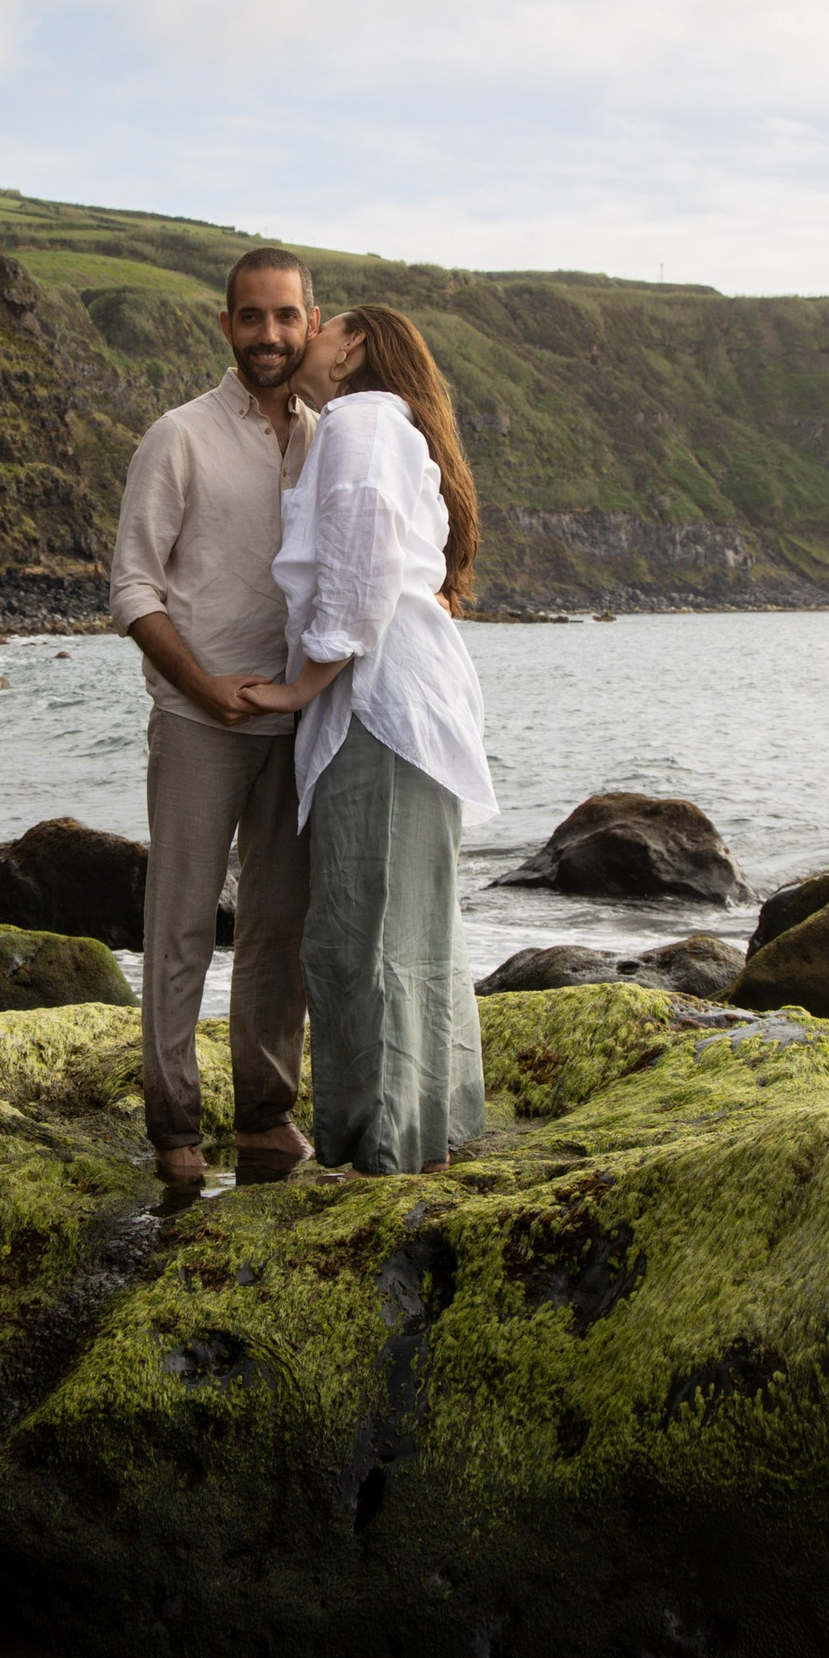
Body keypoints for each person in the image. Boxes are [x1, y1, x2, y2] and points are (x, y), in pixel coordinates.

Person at [233, 303, 497, 1174]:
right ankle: (428, 1134)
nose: (301, 332)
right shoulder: (378, 425)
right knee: (408, 931)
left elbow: (364, 550)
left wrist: (305, 679)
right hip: (408, 709)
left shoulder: (361, 420)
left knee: (362, 934)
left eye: (322, 321)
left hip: (379, 707)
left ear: (351, 348)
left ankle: (380, 1153)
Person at [108, 247, 323, 1189]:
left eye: (285, 318)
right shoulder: (179, 436)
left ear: (310, 324)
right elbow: (130, 588)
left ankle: (266, 1117)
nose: (269, 335)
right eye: (251, 317)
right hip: (198, 723)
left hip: (302, 725)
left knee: (282, 928)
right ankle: (175, 1129)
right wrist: (199, 686)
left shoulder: (331, 439)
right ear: (225, 324)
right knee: (183, 924)